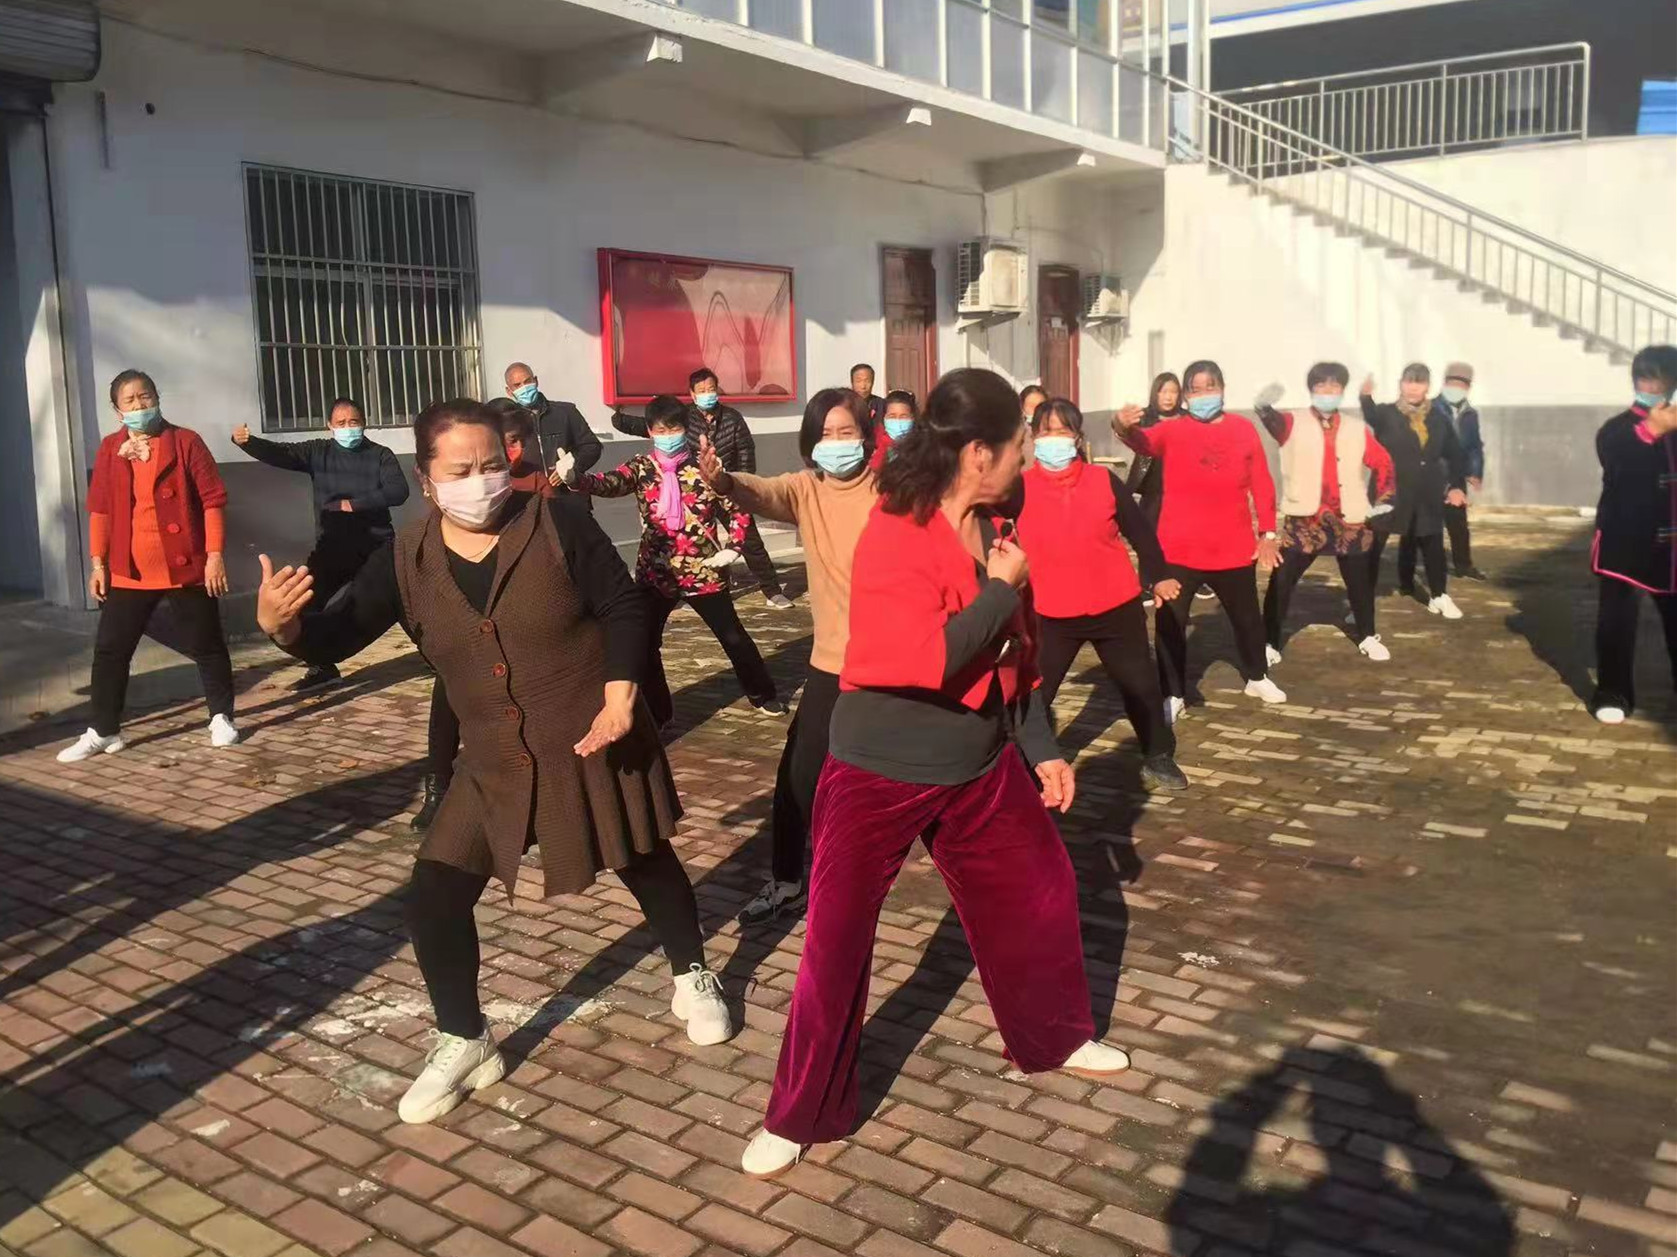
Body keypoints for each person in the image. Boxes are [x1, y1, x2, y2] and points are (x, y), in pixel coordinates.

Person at [254, 398, 736, 1125]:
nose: (480, 481)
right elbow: (337, 636)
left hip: (589, 734)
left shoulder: (557, 522)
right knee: (433, 895)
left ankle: (691, 973)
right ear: (426, 480)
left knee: (642, 855)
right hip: (490, 758)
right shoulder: (405, 559)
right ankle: (465, 1037)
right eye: (459, 470)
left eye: (490, 464)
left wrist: (620, 691)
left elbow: (624, 607)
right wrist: (285, 629)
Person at [740, 368, 1131, 1178]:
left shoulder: (995, 526)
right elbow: (923, 657)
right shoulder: (893, 530)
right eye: (1019, 445)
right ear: (979, 452)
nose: (1026, 458)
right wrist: (999, 591)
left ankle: (1055, 1036)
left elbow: (1014, 653)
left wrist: (1041, 745)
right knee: (835, 942)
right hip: (878, 768)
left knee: (1043, 887)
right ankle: (799, 1112)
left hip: (977, 760)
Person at [695, 388, 878, 927]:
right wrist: (723, 481)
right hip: (832, 662)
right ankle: (788, 882)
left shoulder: (893, 493)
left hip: (891, 663)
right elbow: (763, 491)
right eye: (826, 434)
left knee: (903, 779)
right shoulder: (806, 490)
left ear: (865, 437)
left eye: (846, 433)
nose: (836, 443)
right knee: (799, 774)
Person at [58, 370, 239, 763]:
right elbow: (100, 510)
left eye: (146, 396)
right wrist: (98, 563)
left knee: (207, 644)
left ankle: (221, 716)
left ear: (157, 398)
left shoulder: (186, 442)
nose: (140, 405)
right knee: (111, 651)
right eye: (130, 400)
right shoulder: (111, 449)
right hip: (129, 569)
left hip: (184, 564)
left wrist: (214, 555)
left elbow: (213, 501)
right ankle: (104, 730)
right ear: (117, 410)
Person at [579, 395, 785, 725]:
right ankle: (660, 712)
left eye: (673, 428)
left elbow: (737, 507)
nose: (667, 435)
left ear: (685, 429)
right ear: (650, 431)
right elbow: (609, 483)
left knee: (733, 637)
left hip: (703, 571)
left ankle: (763, 694)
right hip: (656, 573)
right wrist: (576, 479)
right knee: (645, 644)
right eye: (660, 430)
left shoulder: (705, 470)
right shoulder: (642, 467)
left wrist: (734, 546)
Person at [1017, 398, 1188, 791]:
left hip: (1115, 606)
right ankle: (1026, 762)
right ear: (1033, 437)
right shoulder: (1018, 489)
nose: (1054, 438)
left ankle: (1158, 754)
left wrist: (1159, 577)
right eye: (1046, 431)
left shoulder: (1103, 480)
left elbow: (1140, 532)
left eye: (1063, 431)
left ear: (1078, 437)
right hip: (1051, 612)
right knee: (1036, 693)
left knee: (1141, 686)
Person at [1115, 361, 1286, 720]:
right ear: (1186, 395)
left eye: (1210, 387)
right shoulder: (1172, 429)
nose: (1203, 394)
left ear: (1222, 389)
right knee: (1169, 625)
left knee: (1248, 619)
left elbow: (1262, 481)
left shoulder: (1243, 429)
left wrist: (1268, 533)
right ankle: (1173, 692)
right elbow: (1142, 442)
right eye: (1195, 389)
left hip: (1233, 549)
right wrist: (1121, 425)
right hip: (1178, 551)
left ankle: (1256, 675)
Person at [414, 398, 554, 834]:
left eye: (511, 445)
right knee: (448, 702)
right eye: (461, 472)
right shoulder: (421, 542)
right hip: (468, 642)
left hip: (526, 638)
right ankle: (438, 784)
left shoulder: (535, 492)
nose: (481, 479)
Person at [231, 397, 410, 690]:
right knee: (303, 603)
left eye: (353, 422)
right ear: (330, 426)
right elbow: (282, 454)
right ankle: (321, 666)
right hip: (332, 547)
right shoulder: (318, 451)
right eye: (341, 423)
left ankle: (436, 652)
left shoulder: (380, 455)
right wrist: (247, 443)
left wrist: (354, 504)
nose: (348, 428)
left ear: (364, 423)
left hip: (377, 546)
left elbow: (398, 491)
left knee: (401, 600)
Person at [613, 367, 793, 610]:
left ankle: (772, 591)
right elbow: (648, 425)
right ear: (692, 393)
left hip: (725, 487)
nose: (707, 394)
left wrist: (740, 485)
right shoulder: (684, 417)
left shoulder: (732, 418)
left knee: (750, 540)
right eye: (702, 390)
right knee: (689, 544)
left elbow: (745, 451)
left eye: (711, 389)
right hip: (694, 490)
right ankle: (694, 593)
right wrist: (618, 417)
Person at [1258, 363, 1397, 665]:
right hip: (1304, 520)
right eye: (1321, 385)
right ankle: (1268, 641)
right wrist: (1263, 405)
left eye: (1334, 386)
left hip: (1350, 519)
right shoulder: (1291, 423)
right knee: (1281, 581)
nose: (1328, 392)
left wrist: (1384, 501)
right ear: (1312, 389)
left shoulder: (1356, 428)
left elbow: (1384, 461)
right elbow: (1270, 419)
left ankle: (1367, 635)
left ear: (1342, 391)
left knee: (1360, 583)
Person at [1588, 344, 1677, 724]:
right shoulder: (1617, 430)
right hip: (1624, 543)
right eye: (1643, 379)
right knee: (1616, 622)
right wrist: (1650, 431)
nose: (1650, 387)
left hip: (1670, 547)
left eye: (1658, 379)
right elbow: (1618, 466)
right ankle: (1613, 692)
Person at [1359, 365, 1469, 619]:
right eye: (1408, 382)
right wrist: (1365, 396)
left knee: (1432, 543)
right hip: (1389, 491)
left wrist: (1456, 486)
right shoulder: (1386, 413)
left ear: (1427, 387)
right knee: (1373, 546)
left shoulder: (1438, 418)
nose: (1413, 388)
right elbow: (1370, 414)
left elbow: (1454, 454)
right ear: (1401, 384)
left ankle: (1439, 596)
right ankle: (1361, 603)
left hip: (1427, 492)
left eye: (1419, 383)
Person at [503, 361, 601, 486]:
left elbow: (592, 447)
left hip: (569, 492)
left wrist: (571, 467)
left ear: (535, 381)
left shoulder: (566, 412)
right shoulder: (507, 422)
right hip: (531, 495)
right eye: (517, 385)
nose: (524, 388)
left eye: (527, 381)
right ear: (509, 391)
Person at [1433, 362, 1487, 581]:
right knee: (1431, 526)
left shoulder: (1470, 413)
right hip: (1434, 475)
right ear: (1445, 383)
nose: (1456, 388)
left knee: (1459, 525)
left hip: (1457, 476)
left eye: (1461, 384)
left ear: (1468, 387)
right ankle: (1432, 567)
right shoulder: (1431, 409)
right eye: (1452, 382)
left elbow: (1474, 445)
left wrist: (1475, 471)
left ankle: (1464, 566)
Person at [1125, 372, 1182, 529]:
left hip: (1179, 486)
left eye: (1173, 392)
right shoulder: (1143, 416)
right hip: (1152, 487)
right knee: (1149, 529)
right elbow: (1125, 431)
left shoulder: (1187, 418)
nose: (1168, 397)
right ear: (1155, 393)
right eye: (1163, 392)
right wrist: (1121, 423)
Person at [871, 389, 917, 468]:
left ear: (913, 418)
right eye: (892, 416)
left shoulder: (922, 447)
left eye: (903, 417)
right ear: (884, 418)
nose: (898, 421)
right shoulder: (872, 444)